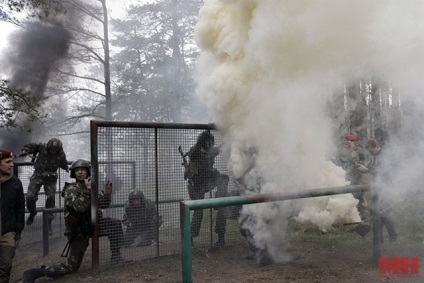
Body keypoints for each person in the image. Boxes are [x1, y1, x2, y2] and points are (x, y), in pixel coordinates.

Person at [22, 159, 124, 283]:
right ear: (74, 173)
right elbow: (79, 208)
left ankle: (116, 257)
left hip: (95, 224)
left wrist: (107, 195)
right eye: (77, 170)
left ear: (88, 172)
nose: (80, 172)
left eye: (83, 170)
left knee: (115, 224)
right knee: (71, 267)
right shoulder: (71, 189)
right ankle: (36, 272)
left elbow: (103, 204)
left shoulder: (92, 186)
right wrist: (87, 191)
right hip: (80, 229)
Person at [182, 130, 229, 247]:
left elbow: (219, 149)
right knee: (199, 212)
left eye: (212, 142)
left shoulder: (210, 151)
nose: (211, 144)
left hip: (207, 182)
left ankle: (220, 200)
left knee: (224, 178)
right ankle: (189, 239)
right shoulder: (196, 151)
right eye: (209, 142)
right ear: (204, 142)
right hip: (196, 186)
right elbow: (196, 157)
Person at [20, 138, 69, 235]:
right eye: (51, 149)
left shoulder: (61, 155)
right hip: (38, 174)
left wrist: (67, 167)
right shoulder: (42, 147)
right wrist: (25, 150)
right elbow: (32, 146)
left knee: (51, 198)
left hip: (50, 177)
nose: (52, 151)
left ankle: (48, 224)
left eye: (55, 150)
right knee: (30, 196)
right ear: (48, 147)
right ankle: (32, 212)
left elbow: (63, 163)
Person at [358, 139, 398, 242]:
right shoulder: (375, 156)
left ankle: (393, 238)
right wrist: (363, 167)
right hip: (378, 188)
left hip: (386, 187)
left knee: (384, 213)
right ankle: (379, 240)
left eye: (369, 149)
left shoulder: (383, 155)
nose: (369, 152)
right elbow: (372, 168)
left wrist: (367, 170)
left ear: (374, 146)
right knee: (375, 211)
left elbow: (381, 170)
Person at [332, 134, 370, 222]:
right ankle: (357, 216)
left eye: (347, 140)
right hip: (352, 177)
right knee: (353, 195)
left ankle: (365, 217)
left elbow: (363, 162)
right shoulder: (347, 151)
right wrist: (335, 160)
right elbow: (343, 160)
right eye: (345, 140)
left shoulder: (359, 150)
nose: (345, 142)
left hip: (360, 177)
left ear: (352, 141)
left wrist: (358, 164)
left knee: (361, 196)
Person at [0, 149, 25, 282]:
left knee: (6, 266)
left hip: (7, 232)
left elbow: (20, 209)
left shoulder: (15, 183)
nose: (12, 165)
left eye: (12, 162)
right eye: (8, 162)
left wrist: (18, 232)